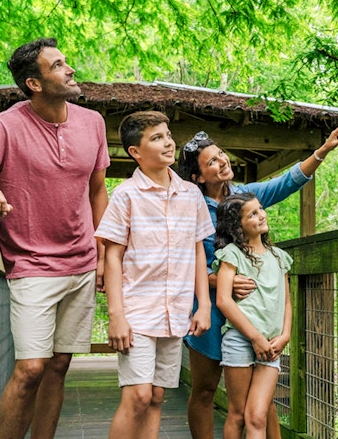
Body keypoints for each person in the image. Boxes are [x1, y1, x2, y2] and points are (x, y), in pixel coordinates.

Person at [0, 38, 110, 439]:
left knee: (59, 365)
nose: (70, 69)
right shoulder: (5, 126)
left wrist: (103, 253)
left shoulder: (92, 123)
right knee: (30, 369)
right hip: (30, 264)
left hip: (81, 263)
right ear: (35, 83)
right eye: (58, 65)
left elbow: (97, 190)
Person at [179, 121, 338, 439]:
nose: (223, 161)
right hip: (209, 311)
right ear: (198, 176)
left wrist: (322, 151)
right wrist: (215, 281)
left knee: (261, 397)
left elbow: (286, 182)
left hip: (254, 313)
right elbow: (173, 260)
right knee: (204, 391)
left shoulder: (246, 197)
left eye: (221, 154)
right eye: (212, 161)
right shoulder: (187, 208)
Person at [95, 110, 213, 438]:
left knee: (158, 396)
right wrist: (116, 316)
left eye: (168, 135)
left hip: (175, 312)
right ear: (135, 151)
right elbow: (113, 257)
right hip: (137, 312)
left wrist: (203, 304)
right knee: (138, 395)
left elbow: (197, 250)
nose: (168, 142)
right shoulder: (125, 196)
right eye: (156, 138)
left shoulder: (191, 195)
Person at [212, 193, 293, 439]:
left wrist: (286, 335)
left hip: (271, 344)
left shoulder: (279, 257)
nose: (261, 215)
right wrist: (254, 337)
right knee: (237, 414)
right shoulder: (232, 254)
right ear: (238, 226)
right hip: (240, 339)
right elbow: (223, 300)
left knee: (257, 416)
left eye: (260, 209)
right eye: (253, 214)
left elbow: (287, 301)